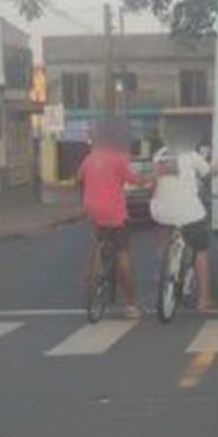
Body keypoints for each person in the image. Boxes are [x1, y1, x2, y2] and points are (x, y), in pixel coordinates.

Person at [77, 124, 146, 319]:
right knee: (123, 255)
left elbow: (79, 180)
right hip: (115, 212)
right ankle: (131, 305)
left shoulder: (89, 159)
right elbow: (134, 180)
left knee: (98, 237)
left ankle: (92, 270)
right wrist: (152, 178)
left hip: (92, 209)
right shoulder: (118, 158)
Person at [150, 142, 215, 311]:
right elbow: (209, 173)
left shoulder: (158, 155)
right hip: (188, 212)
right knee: (201, 250)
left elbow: (154, 182)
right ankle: (203, 299)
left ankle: (163, 268)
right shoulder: (191, 155)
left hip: (161, 210)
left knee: (162, 227)